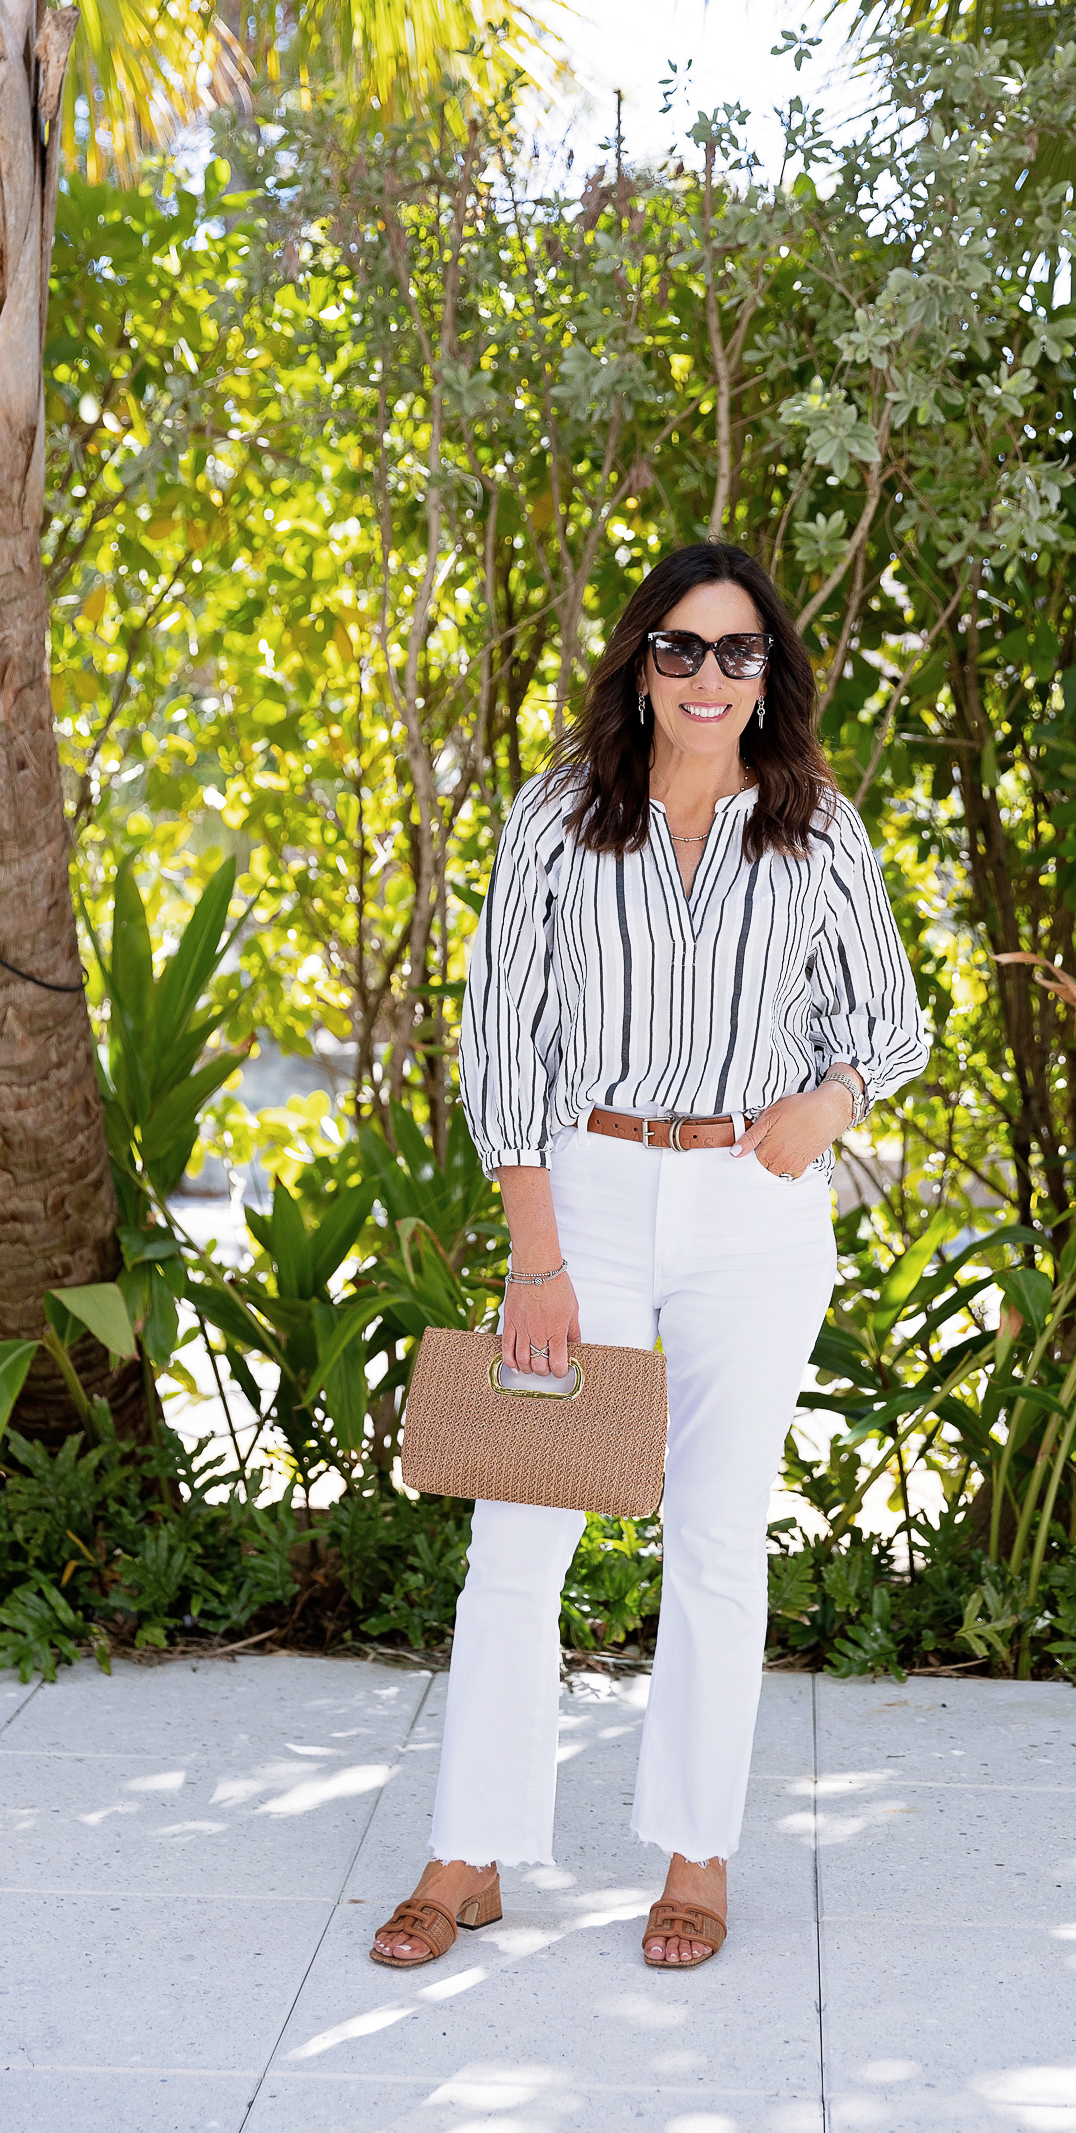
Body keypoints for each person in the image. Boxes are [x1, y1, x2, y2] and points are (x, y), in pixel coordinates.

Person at [371, 541, 928, 1971]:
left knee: (717, 1534)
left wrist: (835, 1099)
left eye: (736, 651)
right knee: (520, 1534)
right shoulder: (559, 818)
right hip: (594, 1191)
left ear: (769, 676)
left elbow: (897, 1021)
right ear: (641, 664)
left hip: (755, 1204)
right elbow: (500, 1038)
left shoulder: (818, 825)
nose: (705, 676)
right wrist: (536, 1256)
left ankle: (696, 1855)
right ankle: (468, 1850)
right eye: (679, 648)